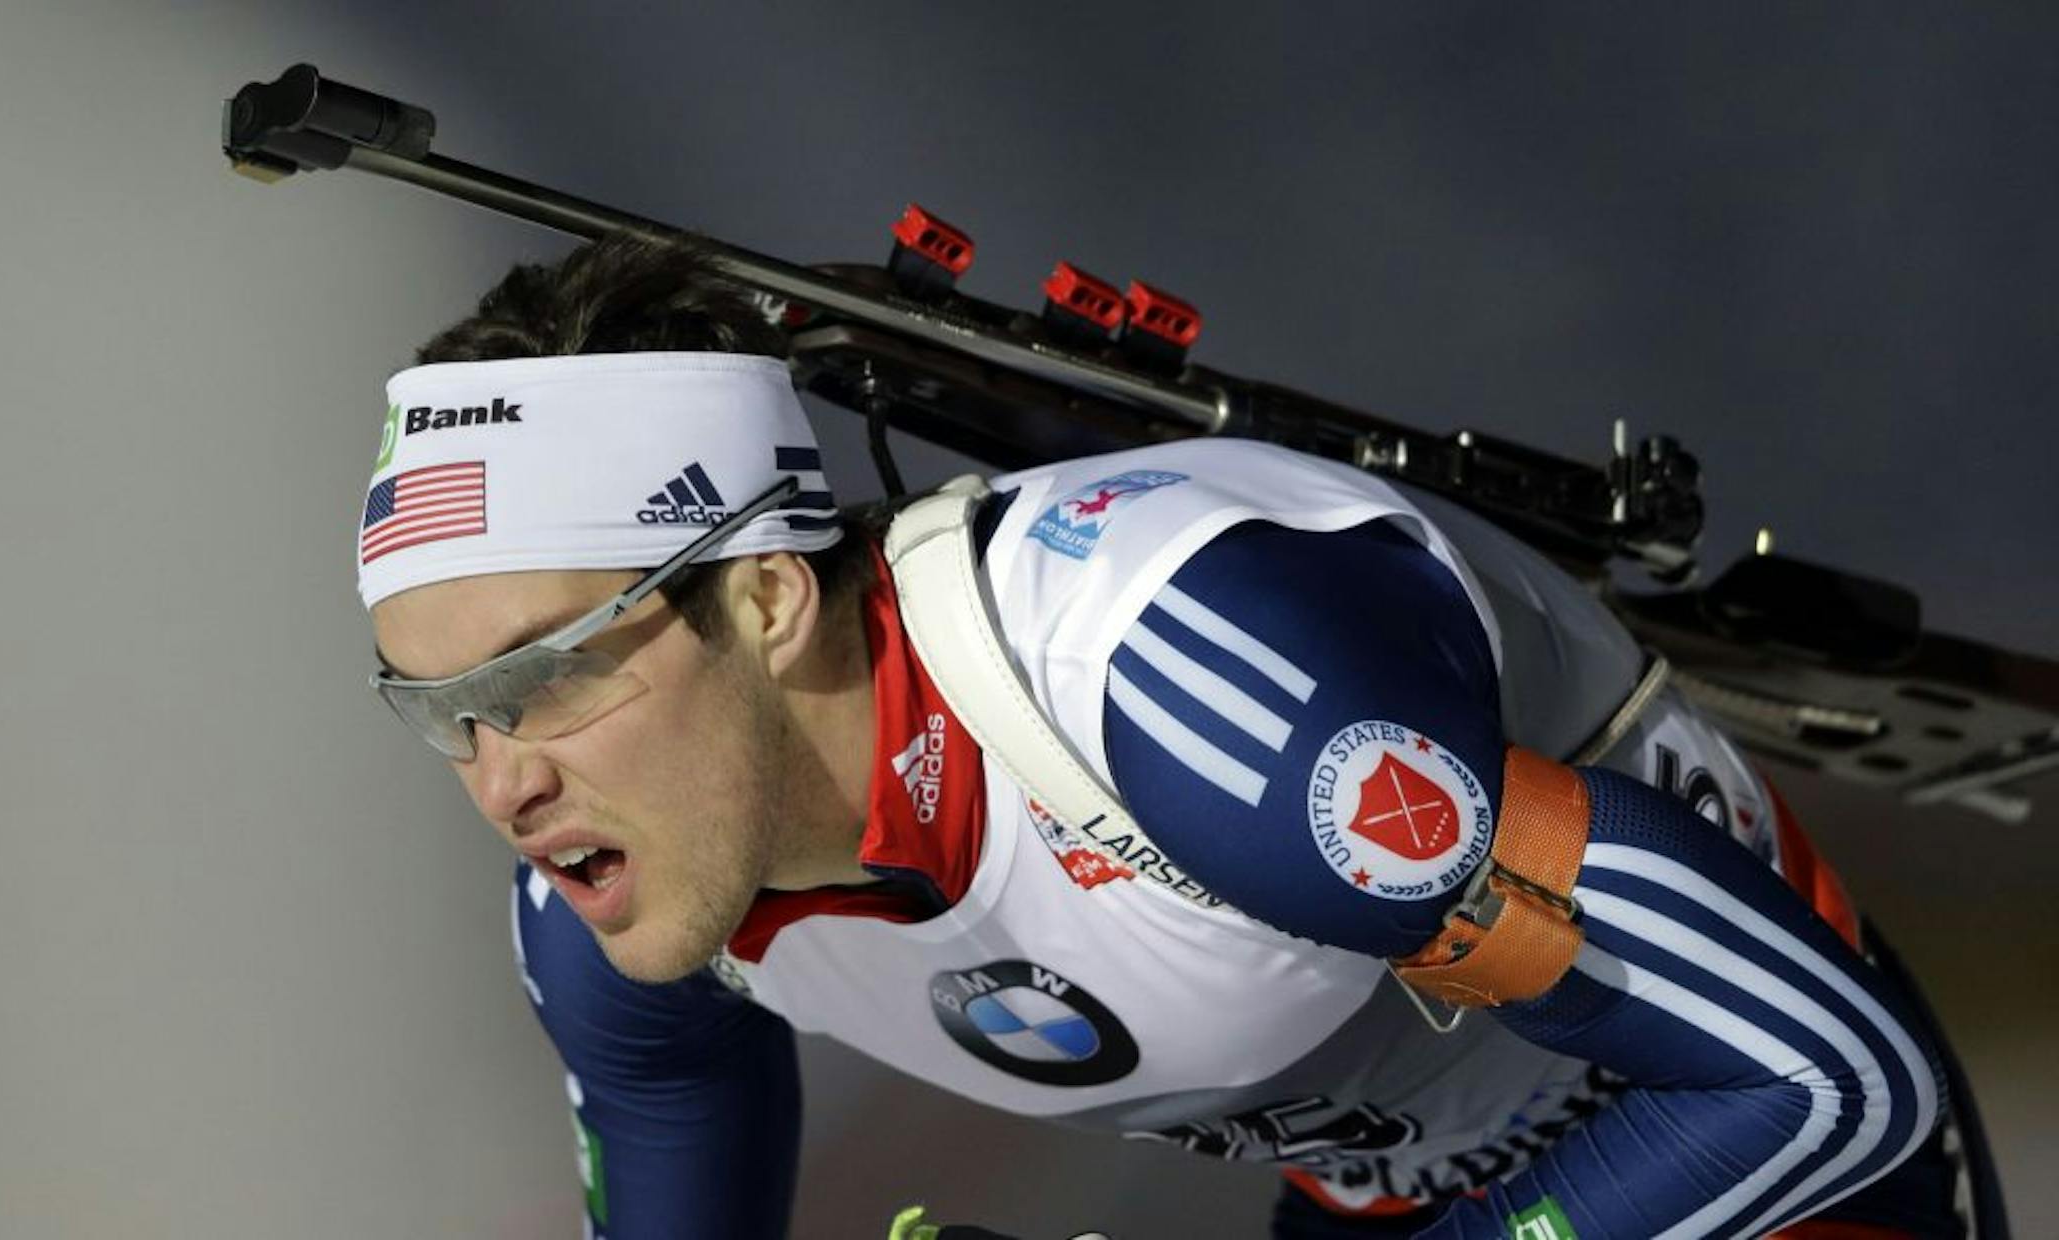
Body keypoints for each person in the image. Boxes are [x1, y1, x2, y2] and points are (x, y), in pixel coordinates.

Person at [358, 235, 1969, 1238]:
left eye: (549, 674)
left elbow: (1824, 1082)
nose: (504, 781)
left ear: (768, 598)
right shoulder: (628, 918)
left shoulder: (1175, 687)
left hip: (1755, 1165)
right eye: (442, 713)